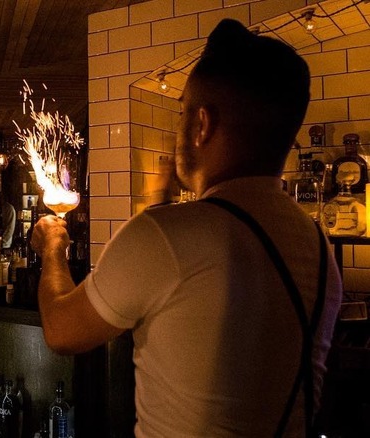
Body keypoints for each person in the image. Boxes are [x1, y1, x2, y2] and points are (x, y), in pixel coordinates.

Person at [30, 19, 342, 437]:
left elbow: (62, 330)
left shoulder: (167, 236)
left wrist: (52, 248)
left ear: (202, 125)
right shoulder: (318, 248)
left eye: (181, 112)